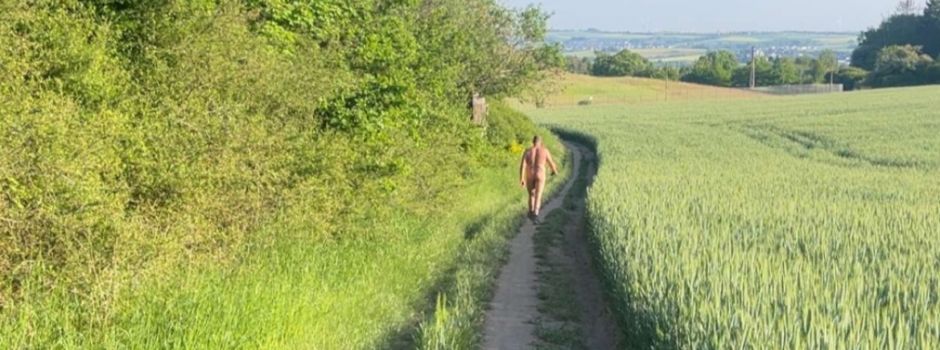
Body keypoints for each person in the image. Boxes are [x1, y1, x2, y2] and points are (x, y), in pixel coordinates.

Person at [520, 135, 558, 220]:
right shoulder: (545, 151)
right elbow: (551, 163)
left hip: (530, 174)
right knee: (538, 194)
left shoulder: (528, 151)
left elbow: (523, 165)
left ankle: (530, 211)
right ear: (540, 142)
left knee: (531, 194)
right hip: (540, 173)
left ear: (533, 142)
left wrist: (522, 178)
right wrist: (554, 171)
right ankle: (535, 213)